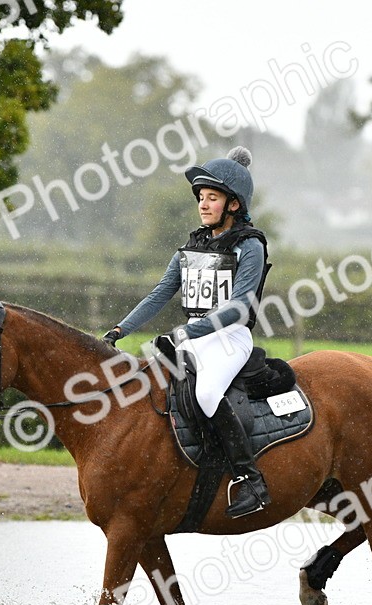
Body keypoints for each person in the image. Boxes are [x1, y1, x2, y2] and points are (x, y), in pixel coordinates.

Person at [103, 146, 272, 518]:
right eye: (201, 197)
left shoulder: (250, 245)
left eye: (212, 197)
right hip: (195, 335)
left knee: (208, 392)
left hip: (229, 338)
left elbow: (238, 307)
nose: (203, 204)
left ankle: (251, 480)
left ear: (233, 204)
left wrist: (185, 334)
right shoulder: (193, 244)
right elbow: (161, 292)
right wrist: (119, 329)